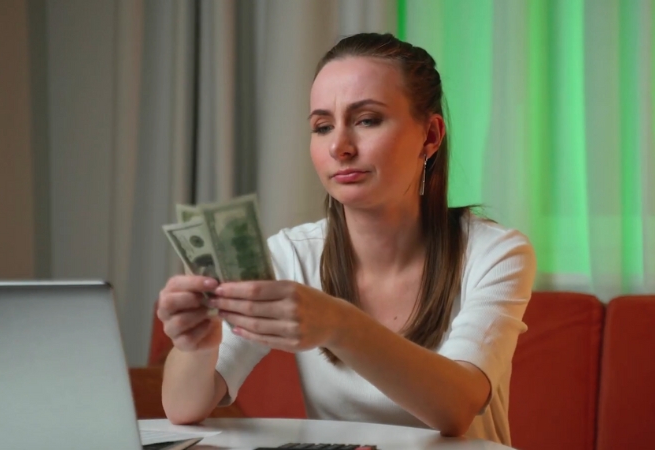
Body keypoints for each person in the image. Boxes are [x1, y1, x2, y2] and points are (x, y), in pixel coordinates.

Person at [157, 32, 536, 446]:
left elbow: (455, 408)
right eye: (322, 126)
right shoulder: (290, 256)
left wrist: (339, 324)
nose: (339, 146)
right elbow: (183, 409)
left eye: (367, 120)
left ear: (430, 136)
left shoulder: (496, 253)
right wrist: (197, 343)